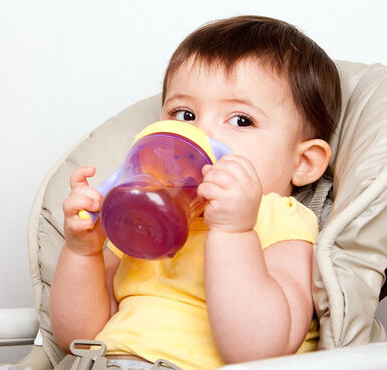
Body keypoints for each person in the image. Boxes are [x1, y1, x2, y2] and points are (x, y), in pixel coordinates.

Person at [50, 15, 341, 369]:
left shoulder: (281, 221)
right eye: (184, 114)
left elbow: (257, 351)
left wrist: (234, 231)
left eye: (240, 120)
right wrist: (83, 253)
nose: (201, 134)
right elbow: (76, 335)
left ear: (304, 163)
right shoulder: (144, 213)